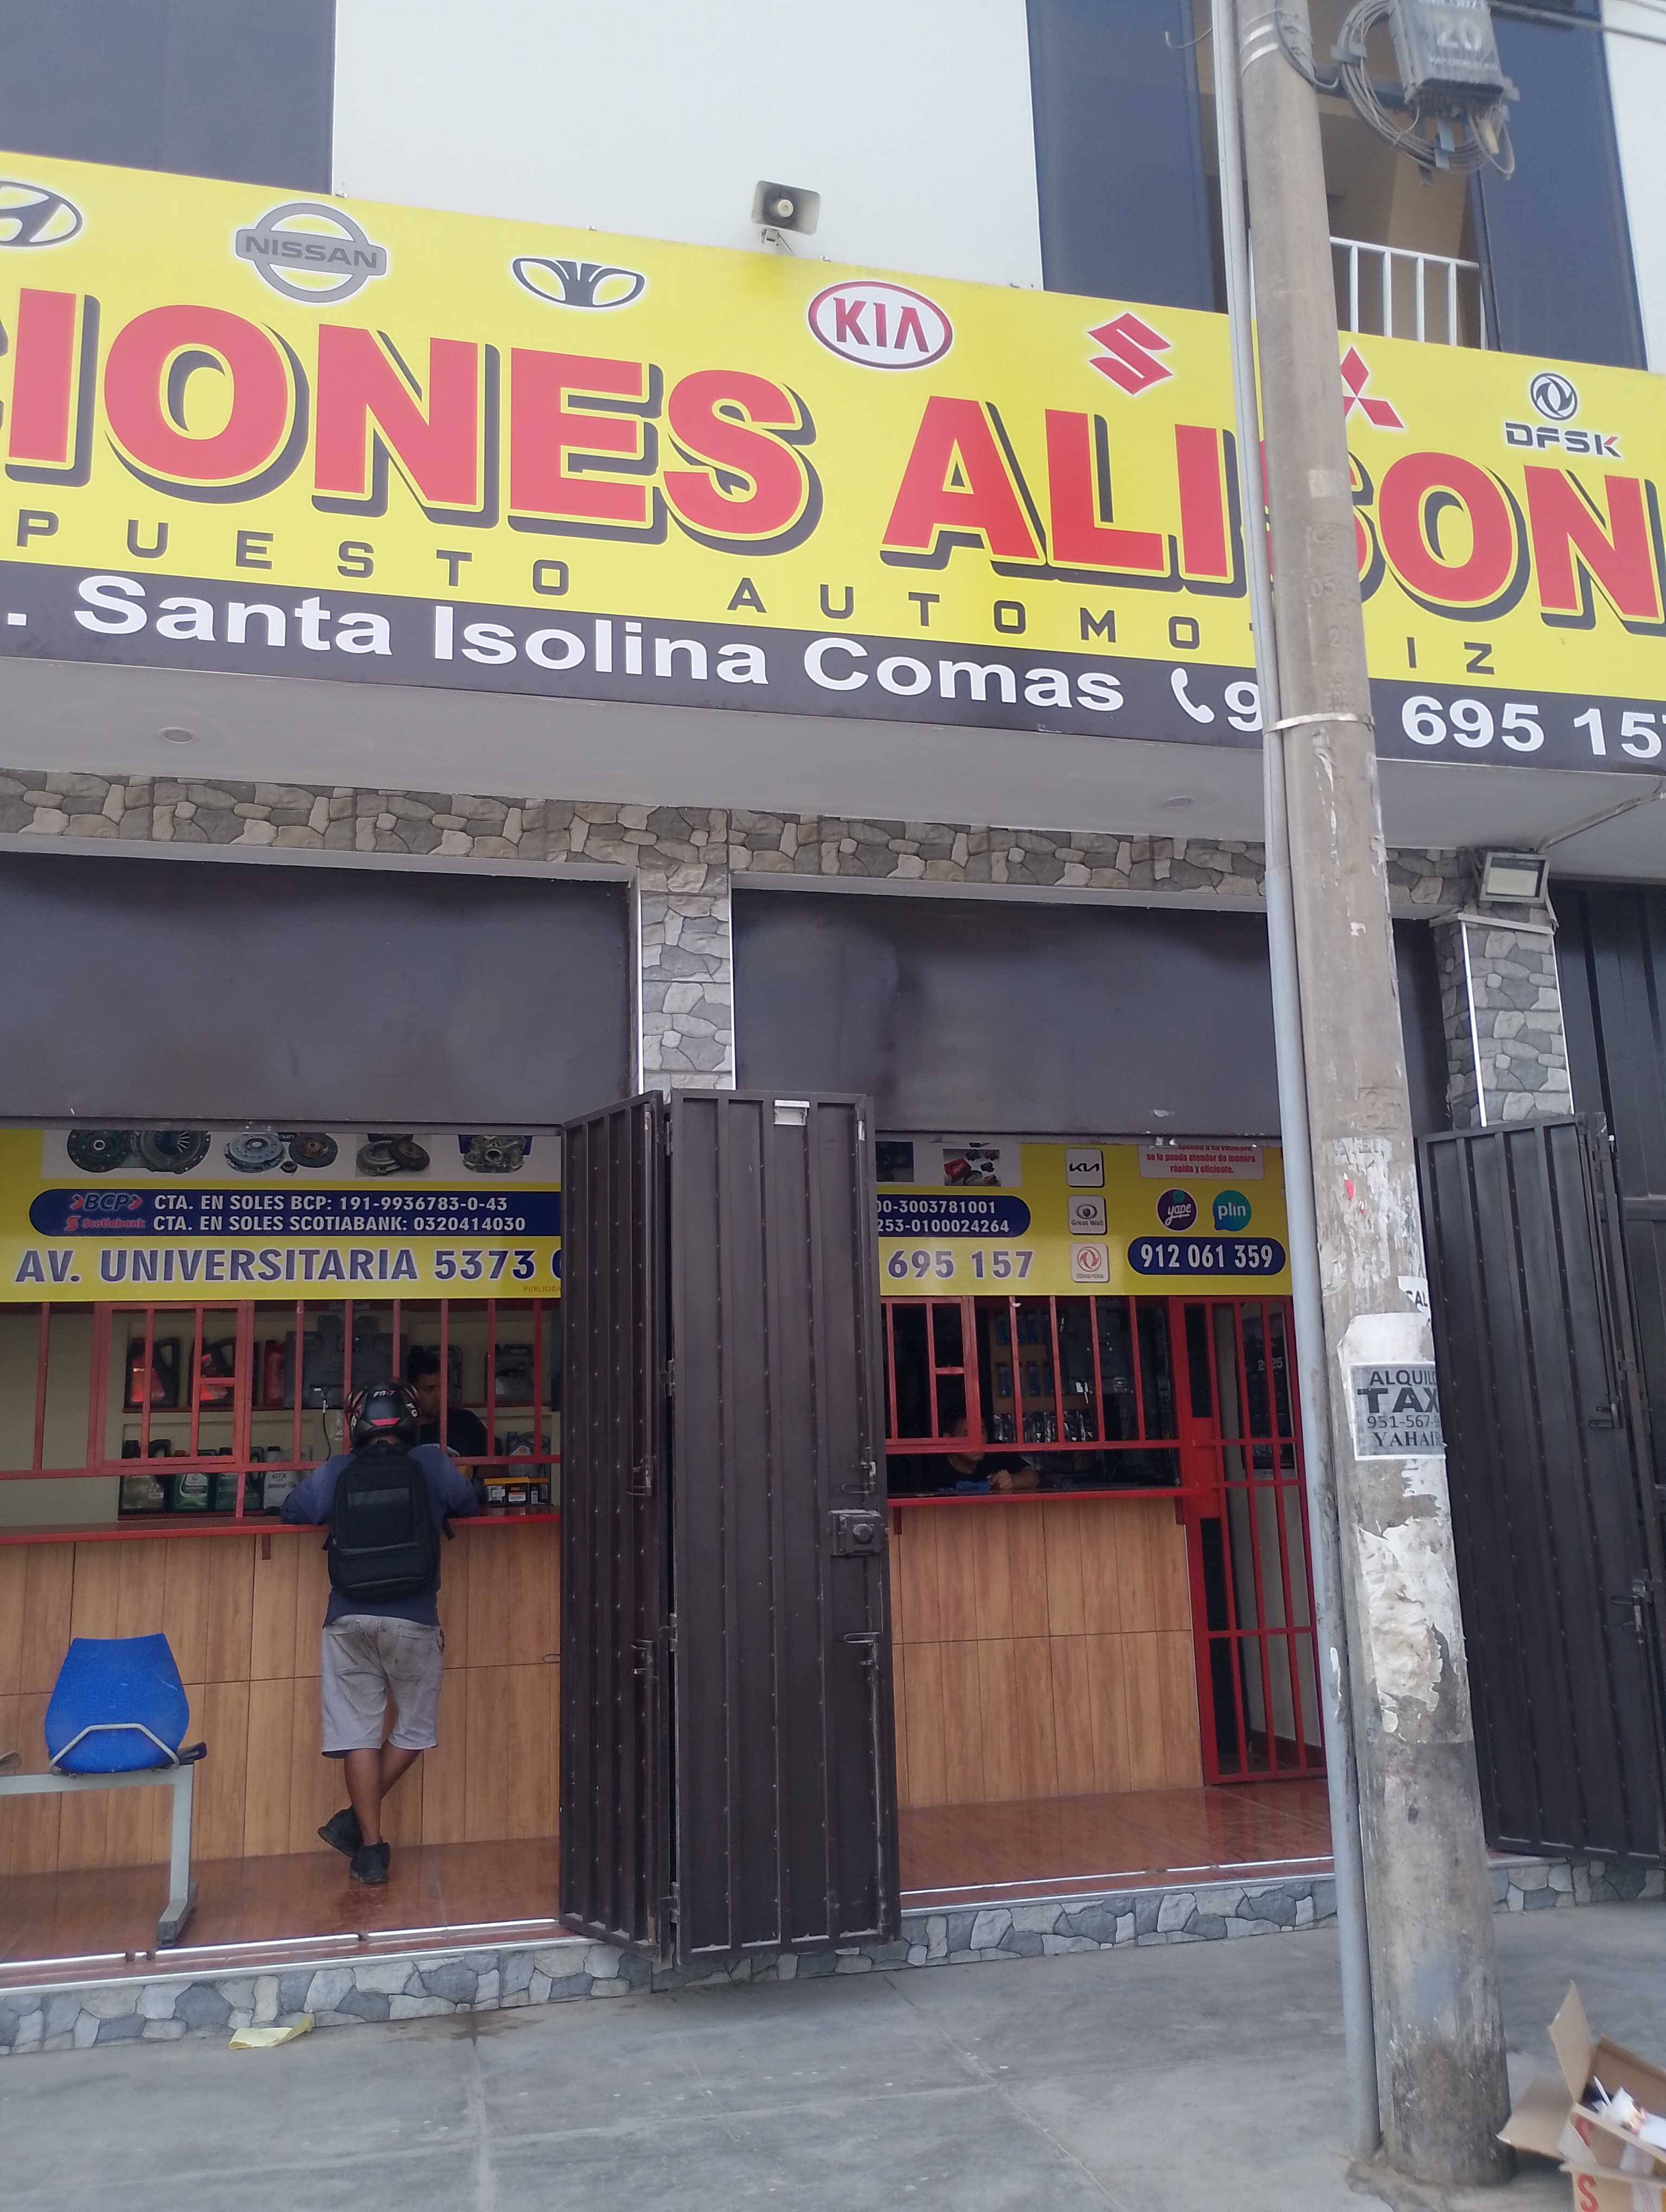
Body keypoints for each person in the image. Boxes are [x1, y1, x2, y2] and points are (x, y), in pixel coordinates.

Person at [281, 1379, 478, 1885]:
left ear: (356, 1425)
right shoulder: (431, 1463)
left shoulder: (338, 1470)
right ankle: (352, 1822)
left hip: (347, 1619)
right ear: (410, 1420)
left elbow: (294, 1509)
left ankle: (370, 1850)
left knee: (357, 1734)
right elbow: (469, 1503)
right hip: (414, 1619)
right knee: (413, 1730)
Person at [406, 1343, 489, 1459]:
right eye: (430, 1389)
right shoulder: (401, 1429)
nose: (439, 1396)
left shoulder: (466, 1422)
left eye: (443, 1387)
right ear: (411, 1392)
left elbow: (496, 1465)